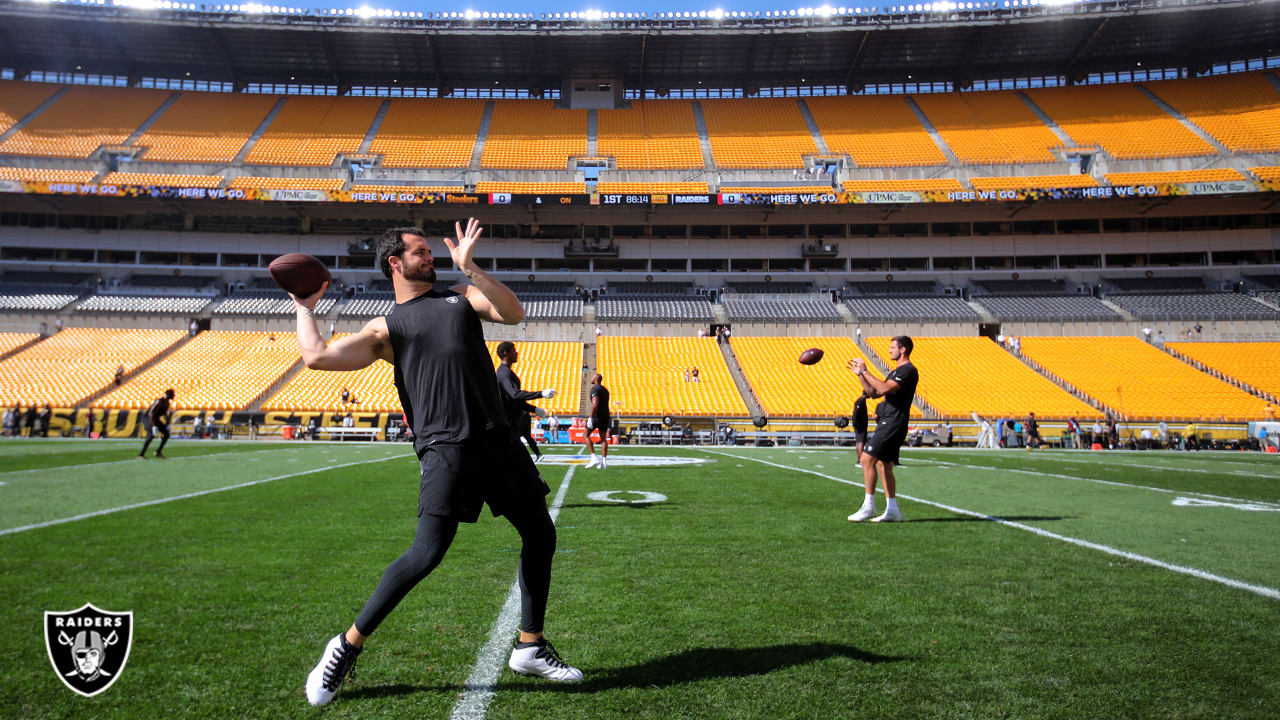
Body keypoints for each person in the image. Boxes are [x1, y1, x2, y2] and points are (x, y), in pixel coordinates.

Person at [292, 221, 581, 707]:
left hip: (496, 440)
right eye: (420, 251)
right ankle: (345, 645)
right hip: (446, 447)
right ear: (395, 262)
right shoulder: (386, 328)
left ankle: (529, 647)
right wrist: (305, 307)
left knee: (539, 532)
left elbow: (513, 313)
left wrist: (472, 269)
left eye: (431, 251)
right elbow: (316, 356)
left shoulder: (462, 296)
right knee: (427, 552)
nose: (431, 256)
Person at [847, 336, 919, 523]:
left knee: (866, 458)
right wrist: (860, 375)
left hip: (894, 421)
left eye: (893, 347)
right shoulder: (896, 372)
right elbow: (874, 393)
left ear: (903, 350)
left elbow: (885, 388)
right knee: (883, 464)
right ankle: (893, 509)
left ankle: (869, 506)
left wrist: (866, 370)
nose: (889, 350)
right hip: (889, 421)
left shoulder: (908, 370)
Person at [495, 340, 556, 463]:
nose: (516, 353)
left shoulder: (506, 372)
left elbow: (516, 400)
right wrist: (541, 393)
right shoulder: (504, 372)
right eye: (513, 350)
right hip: (508, 423)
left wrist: (534, 409)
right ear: (506, 352)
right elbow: (515, 394)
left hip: (513, 422)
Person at [584, 372, 611, 469]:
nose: (591, 378)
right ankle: (604, 463)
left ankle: (593, 457)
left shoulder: (595, 388)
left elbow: (595, 404)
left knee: (586, 435)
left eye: (592, 377)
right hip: (606, 416)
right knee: (603, 438)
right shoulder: (605, 390)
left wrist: (591, 418)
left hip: (597, 416)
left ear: (596, 379)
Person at [138, 389, 174, 459]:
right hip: (148, 418)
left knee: (166, 434)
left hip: (155, 418)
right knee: (151, 435)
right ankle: (141, 454)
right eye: (172, 394)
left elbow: (164, 414)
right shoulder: (160, 401)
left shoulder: (167, 403)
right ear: (168, 394)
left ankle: (158, 451)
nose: (173, 395)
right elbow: (151, 413)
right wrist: (154, 426)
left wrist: (167, 423)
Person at [852, 393, 869, 465]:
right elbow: (856, 413)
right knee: (861, 442)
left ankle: (859, 459)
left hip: (859, 424)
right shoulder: (861, 401)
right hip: (860, 424)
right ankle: (860, 460)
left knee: (859, 441)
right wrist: (855, 423)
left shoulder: (860, 401)